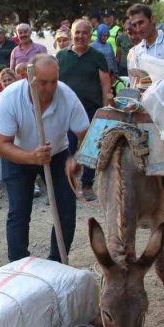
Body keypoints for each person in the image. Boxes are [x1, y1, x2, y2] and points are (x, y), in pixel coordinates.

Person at [0, 54, 89, 262]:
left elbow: (87, 135)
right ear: (30, 79)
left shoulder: (67, 96)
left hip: (57, 155)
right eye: (43, 82)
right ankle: (19, 264)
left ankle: (58, 262)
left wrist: (77, 159)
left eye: (54, 81)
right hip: (18, 155)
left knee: (65, 209)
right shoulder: (10, 98)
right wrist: (31, 157)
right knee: (19, 210)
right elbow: (2, 145)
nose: (50, 88)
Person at [57, 19, 111, 201]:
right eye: (77, 32)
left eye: (84, 33)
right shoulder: (61, 56)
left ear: (90, 35)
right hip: (67, 111)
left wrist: (105, 110)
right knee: (67, 147)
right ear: (71, 34)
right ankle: (68, 186)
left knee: (91, 148)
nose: (80, 36)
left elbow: (105, 85)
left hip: (92, 110)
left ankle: (87, 185)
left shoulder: (98, 56)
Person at [126, 4, 164, 89]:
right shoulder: (135, 52)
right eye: (134, 25)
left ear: (152, 19)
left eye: (141, 23)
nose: (138, 29)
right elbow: (134, 85)